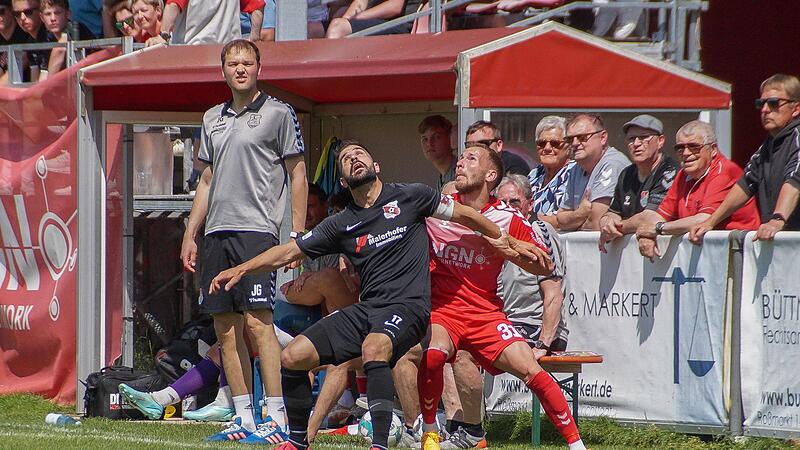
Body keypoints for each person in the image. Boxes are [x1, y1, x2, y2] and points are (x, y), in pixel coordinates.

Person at [209, 140, 549, 450]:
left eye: (360, 154)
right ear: (342, 181)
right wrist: (241, 269)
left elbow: (469, 215)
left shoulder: (411, 196)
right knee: (292, 357)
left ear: (376, 168)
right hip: (368, 309)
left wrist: (506, 241)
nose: (353, 158)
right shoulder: (340, 224)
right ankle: (298, 441)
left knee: (378, 348)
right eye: (345, 159)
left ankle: (384, 443)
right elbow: (288, 252)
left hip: (411, 309)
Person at [417, 143, 585, 450]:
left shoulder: (507, 216)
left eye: (471, 159)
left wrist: (509, 248)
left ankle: (577, 445)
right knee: (434, 354)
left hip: (485, 313)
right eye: (461, 157)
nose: (460, 163)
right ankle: (430, 432)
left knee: (531, 369)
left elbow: (541, 263)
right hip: (444, 310)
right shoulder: (437, 207)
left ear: (490, 174)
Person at [181, 39, 307, 441]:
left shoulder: (278, 113)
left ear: (258, 68)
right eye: (233, 63)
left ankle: (276, 414)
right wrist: (191, 232)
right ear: (223, 70)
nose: (240, 69)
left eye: (247, 63)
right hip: (216, 234)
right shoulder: (211, 117)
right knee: (224, 327)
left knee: (258, 322)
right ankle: (242, 417)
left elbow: (298, 173)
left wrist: (297, 236)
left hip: (258, 233)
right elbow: (205, 179)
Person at [691, 73, 800, 243]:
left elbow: (794, 181)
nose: (764, 110)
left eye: (773, 103)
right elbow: (745, 184)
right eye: (760, 103)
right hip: (780, 244)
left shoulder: (798, 138)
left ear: (796, 108)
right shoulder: (767, 146)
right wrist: (711, 222)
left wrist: (777, 220)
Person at [635, 121, 760, 259]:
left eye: (694, 147)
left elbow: (702, 220)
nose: (686, 153)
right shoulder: (683, 174)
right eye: (680, 148)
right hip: (705, 257)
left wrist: (657, 229)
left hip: (738, 256)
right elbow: (658, 217)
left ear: (713, 149)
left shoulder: (724, 171)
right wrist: (644, 234)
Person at [598, 114, 678, 252]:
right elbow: (612, 213)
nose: (636, 143)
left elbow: (649, 218)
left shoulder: (669, 171)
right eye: (631, 139)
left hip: (666, 254)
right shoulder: (627, 174)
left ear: (660, 141)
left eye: (643, 137)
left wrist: (617, 227)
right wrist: (606, 223)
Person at [556, 113, 630, 231]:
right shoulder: (576, 168)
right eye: (570, 139)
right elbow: (560, 219)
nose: (574, 143)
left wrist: (572, 224)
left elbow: (596, 223)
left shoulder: (613, 163)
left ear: (603, 138)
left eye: (582, 137)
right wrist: (580, 214)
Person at [146, 0, 264, 46]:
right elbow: (258, 6)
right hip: (228, 53)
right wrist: (254, 37)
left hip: (191, 53)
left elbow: (173, 5)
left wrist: (163, 35)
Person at [527, 115, 574, 229]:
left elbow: (566, 220)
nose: (547, 148)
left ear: (569, 146)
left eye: (555, 143)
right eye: (541, 143)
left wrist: (530, 218)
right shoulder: (534, 174)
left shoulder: (574, 173)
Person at [464, 120, 530, 176]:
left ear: (498, 145)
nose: (476, 150)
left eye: (483, 144)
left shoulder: (514, 165)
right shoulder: (464, 166)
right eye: (470, 146)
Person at [325, 0, 413, 39]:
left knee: (337, 28)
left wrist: (357, 18)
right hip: (374, 22)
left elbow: (395, 7)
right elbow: (361, 2)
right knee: (315, 29)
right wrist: (346, 19)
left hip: (398, 23)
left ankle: (327, 74)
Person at [419, 115, 456, 191]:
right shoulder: (442, 178)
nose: (429, 144)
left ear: (450, 139)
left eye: (437, 137)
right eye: (425, 139)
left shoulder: (459, 173)